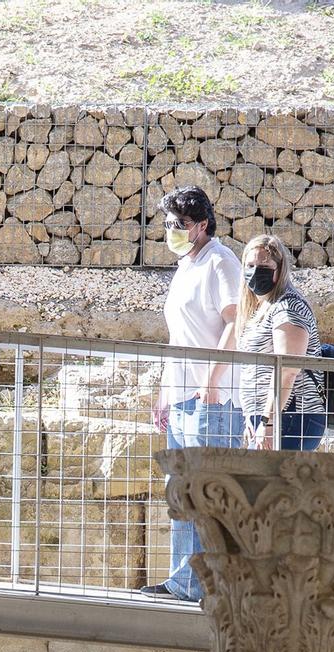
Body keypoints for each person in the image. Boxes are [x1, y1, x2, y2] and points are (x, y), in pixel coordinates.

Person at [142, 185, 244, 602]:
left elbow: (237, 323)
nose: (172, 231)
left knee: (208, 495)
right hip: (183, 397)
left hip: (212, 400)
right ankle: (184, 582)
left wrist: (212, 381)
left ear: (202, 225)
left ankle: (212, 586)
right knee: (183, 494)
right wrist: (166, 392)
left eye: (179, 224)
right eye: (168, 224)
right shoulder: (187, 264)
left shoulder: (220, 262)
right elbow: (180, 336)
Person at [235, 234, 327, 452]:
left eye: (264, 265)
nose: (256, 271)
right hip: (269, 417)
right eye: (250, 265)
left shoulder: (288, 307)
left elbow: (287, 370)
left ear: (279, 269)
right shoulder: (262, 307)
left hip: (289, 417)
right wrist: (254, 417)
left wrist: (268, 422)